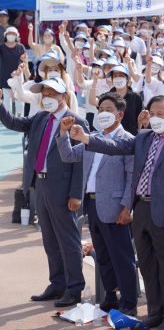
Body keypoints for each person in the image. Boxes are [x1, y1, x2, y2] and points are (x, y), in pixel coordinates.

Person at [69, 95, 164, 330]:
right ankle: (155, 313)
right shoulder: (143, 137)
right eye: (152, 112)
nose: (156, 117)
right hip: (142, 209)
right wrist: (85, 138)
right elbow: (116, 146)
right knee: (147, 265)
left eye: (161, 113)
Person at [0, 78, 87, 307]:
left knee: (68, 240)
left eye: (52, 92)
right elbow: (14, 123)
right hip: (41, 184)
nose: (47, 96)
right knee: (49, 238)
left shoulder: (76, 121)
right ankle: (57, 283)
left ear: (63, 96)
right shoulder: (41, 117)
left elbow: (81, 161)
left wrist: (76, 193)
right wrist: (0, 104)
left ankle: (74, 287)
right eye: (44, 93)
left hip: (63, 189)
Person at [56, 92, 138, 315]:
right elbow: (68, 155)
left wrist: (126, 206)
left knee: (122, 256)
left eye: (108, 110)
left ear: (119, 115)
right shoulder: (91, 137)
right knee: (102, 254)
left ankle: (129, 301)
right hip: (92, 205)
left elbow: (132, 177)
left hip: (115, 207)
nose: (103, 113)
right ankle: (110, 297)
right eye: (100, 109)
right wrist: (63, 133)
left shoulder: (127, 140)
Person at [1, 27, 26, 113]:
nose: (11, 35)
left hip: (18, 77)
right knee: (7, 101)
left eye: (13, 33)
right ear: (5, 35)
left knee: (19, 100)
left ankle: (20, 120)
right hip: (5, 78)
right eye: (9, 33)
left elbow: (24, 62)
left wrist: (20, 68)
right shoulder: (1, 47)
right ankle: (8, 122)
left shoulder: (21, 47)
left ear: (17, 35)